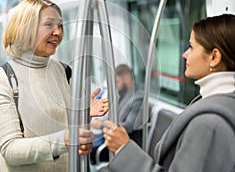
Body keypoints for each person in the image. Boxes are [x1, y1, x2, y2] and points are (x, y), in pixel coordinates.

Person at [0, 0, 109, 172]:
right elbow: (10, 149)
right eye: (49, 25)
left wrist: (83, 116)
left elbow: (67, 128)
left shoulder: (65, 72)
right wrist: (65, 140)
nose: (58, 32)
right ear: (26, 28)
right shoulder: (2, 78)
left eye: (60, 25)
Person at [100, 14, 235, 172]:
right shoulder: (217, 102)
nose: (185, 54)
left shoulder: (209, 124)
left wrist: (124, 148)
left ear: (214, 57)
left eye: (191, 47)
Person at [90, 64, 143, 164]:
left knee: (89, 150)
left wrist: (101, 125)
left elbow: (128, 127)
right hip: (108, 136)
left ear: (127, 79)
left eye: (117, 82)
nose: (115, 86)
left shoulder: (138, 99)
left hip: (123, 144)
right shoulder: (122, 96)